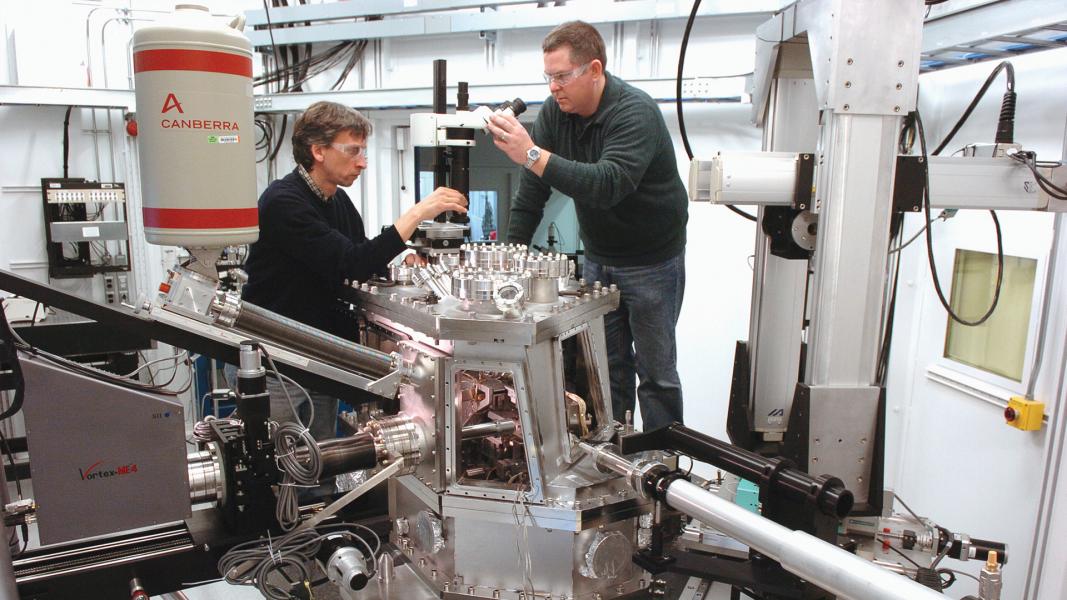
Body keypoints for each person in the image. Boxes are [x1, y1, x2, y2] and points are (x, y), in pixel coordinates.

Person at [485, 21, 687, 430]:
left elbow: (607, 184)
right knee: (607, 369)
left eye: (562, 76)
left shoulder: (635, 113)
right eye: (549, 77)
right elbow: (531, 193)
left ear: (594, 70)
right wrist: (511, 256)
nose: (554, 87)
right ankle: (614, 453)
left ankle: (663, 468)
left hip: (652, 262)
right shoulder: (558, 116)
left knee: (656, 375)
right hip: (600, 258)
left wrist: (531, 153)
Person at [240, 101, 467, 440]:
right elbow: (350, 263)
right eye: (353, 151)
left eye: (364, 151)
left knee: (319, 459)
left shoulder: (336, 199)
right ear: (318, 150)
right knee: (271, 459)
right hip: (277, 362)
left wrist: (398, 260)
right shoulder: (284, 202)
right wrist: (418, 212)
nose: (362, 162)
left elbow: (360, 255)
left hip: (319, 354)